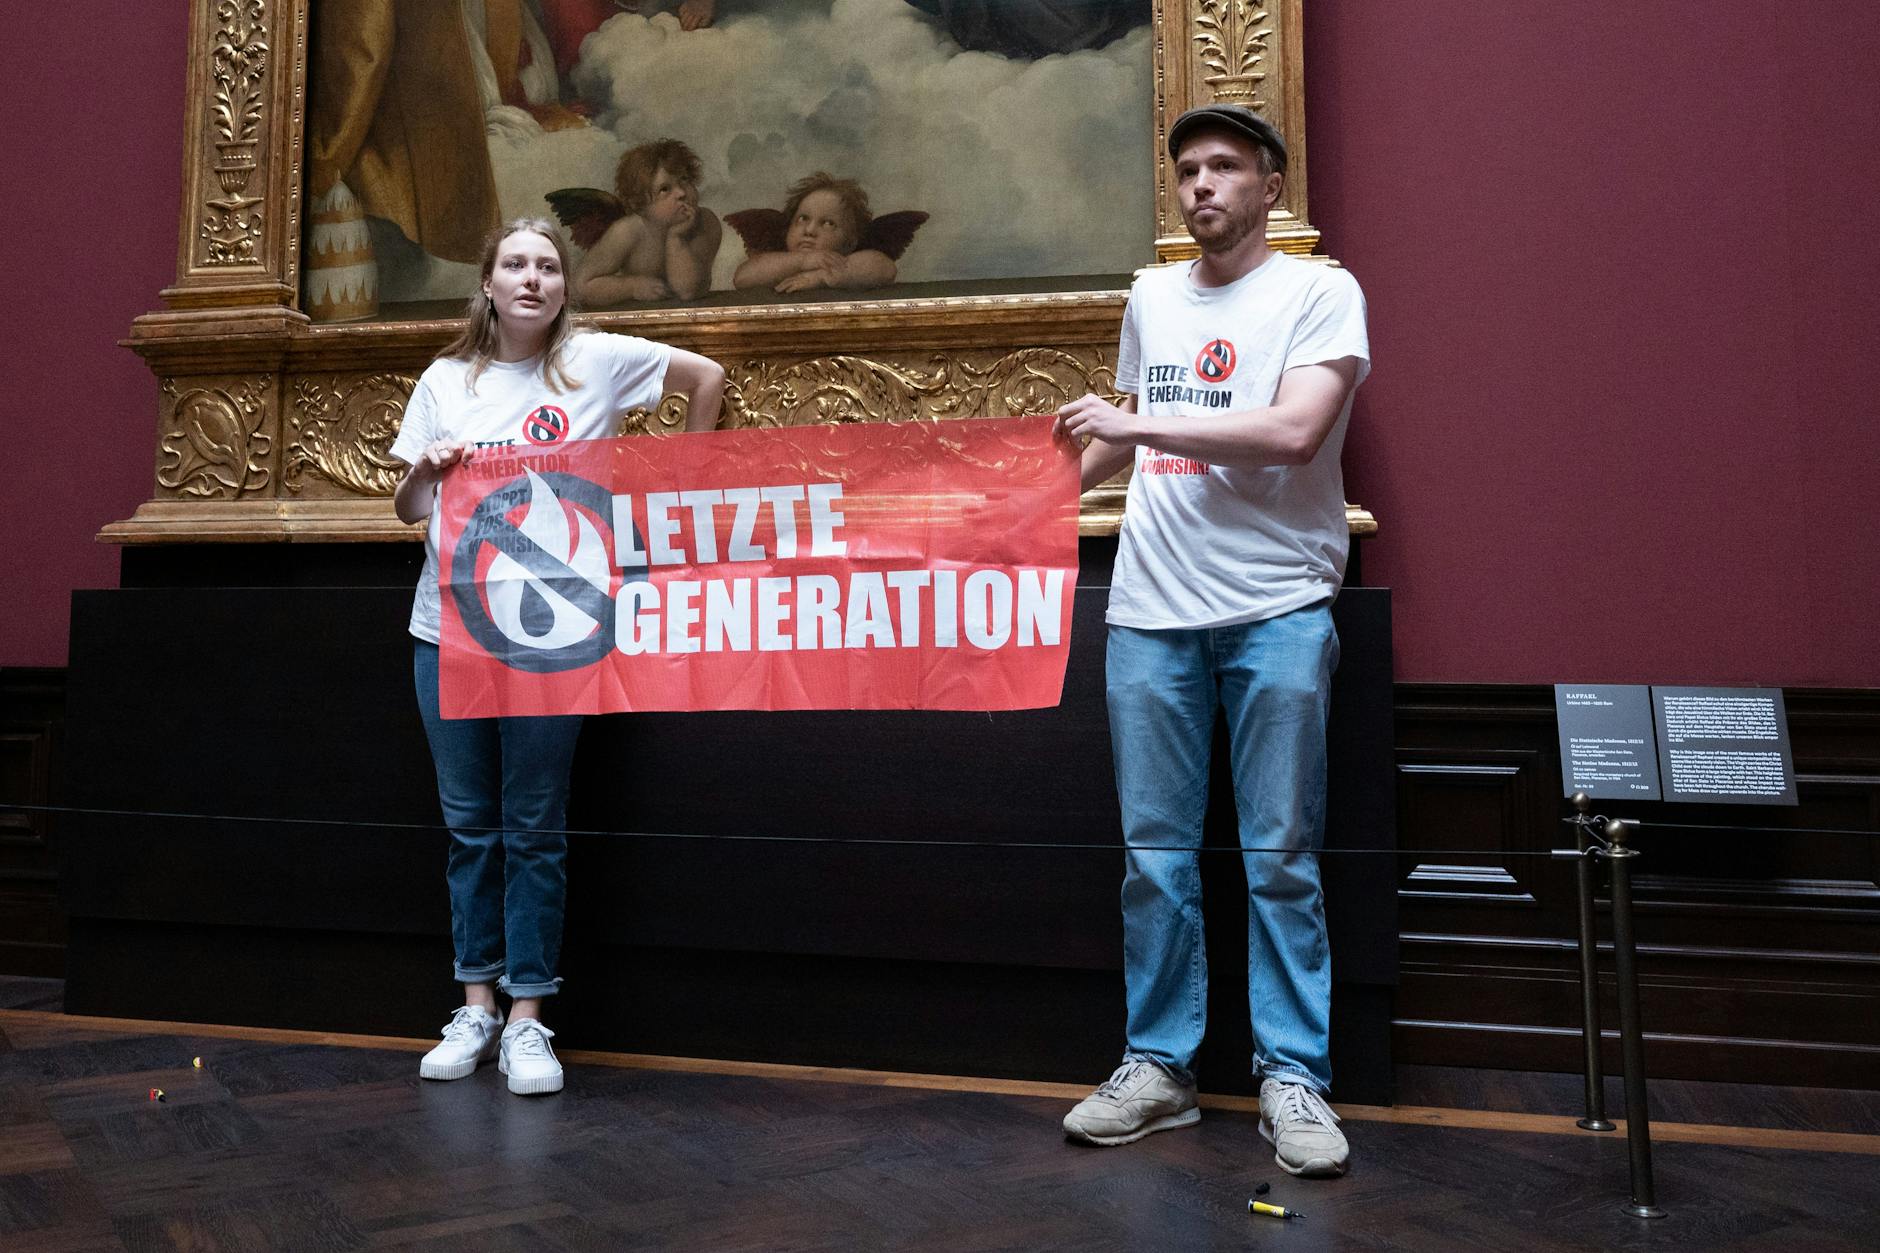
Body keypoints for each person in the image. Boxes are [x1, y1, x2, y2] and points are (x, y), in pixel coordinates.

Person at [1054, 104, 1370, 1176]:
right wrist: (1002, 503)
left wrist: (1134, 422)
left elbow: (1293, 432)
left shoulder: (1319, 292)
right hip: (1149, 611)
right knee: (1154, 863)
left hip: (1276, 606)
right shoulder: (1153, 296)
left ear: (1268, 188)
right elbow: (1127, 427)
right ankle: (1158, 1068)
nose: (1201, 185)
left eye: (1224, 167)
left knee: (1279, 857)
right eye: (1188, 169)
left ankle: (1293, 1076)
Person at [391, 218, 726, 1095]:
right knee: (470, 825)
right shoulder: (445, 380)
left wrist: (678, 486)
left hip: (555, 639)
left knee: (534, 825)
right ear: (489, 282)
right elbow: (408, 509)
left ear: (565, 286)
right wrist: (427, 469)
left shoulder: (596, 362)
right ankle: (475, 1005)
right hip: (449, 632)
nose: (532, 278)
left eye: (547, 266)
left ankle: (529, 1016)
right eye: (515, 264)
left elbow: (707, 377)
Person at [571, 139, 723, 304]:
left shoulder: (706, 222)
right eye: (664, 189)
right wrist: (632, 287)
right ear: (640, 205)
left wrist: (676, 238)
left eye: (684, 179)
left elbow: (688, 291)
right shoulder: (627, 231)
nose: (681, 193)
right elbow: (580, 287)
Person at [728, 173, 921, 295]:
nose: (809, 231)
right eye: (802, 219)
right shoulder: (775, 262)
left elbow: (885, 268)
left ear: (850, 241)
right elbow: (743, 278)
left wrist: (821, 278)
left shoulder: (848, 262)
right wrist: (802, 261)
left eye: (828, 223)